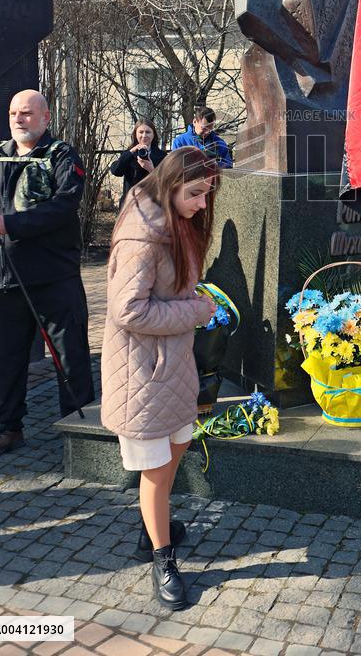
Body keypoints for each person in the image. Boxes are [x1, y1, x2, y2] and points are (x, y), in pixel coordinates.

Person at [100, 147, 219, 610]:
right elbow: (127, 309)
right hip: (143, 370)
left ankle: (155, 526)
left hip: (170, 362)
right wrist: (195, 310)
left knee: (175, 449)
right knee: (155, 466)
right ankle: (161, 558)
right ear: (170, 186)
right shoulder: (141, 235)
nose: (202, 204)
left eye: (206, 194)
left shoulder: (169, 220)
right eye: (194, 194)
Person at [0, 89, 95, 462]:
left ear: (45, 118)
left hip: (54, 278)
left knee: (70, 359)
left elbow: (62, 207)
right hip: (6, 282)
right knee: (6, 359)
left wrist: (13, 224)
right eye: (13, 113)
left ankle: (81, 434)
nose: (19, 119)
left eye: (26, 113)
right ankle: (7, 429)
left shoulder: (61, 156)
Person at [110, 119, 166, 206]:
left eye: (148, 132)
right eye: (141, 132)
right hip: (130, 204)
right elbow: (116, 171)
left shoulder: (162, 156)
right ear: (135, 134)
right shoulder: (129, 154)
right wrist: (131, 152)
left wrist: (151, 169)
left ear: (153, 134)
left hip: (153, 204)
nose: (144, 135)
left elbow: (167, 182)